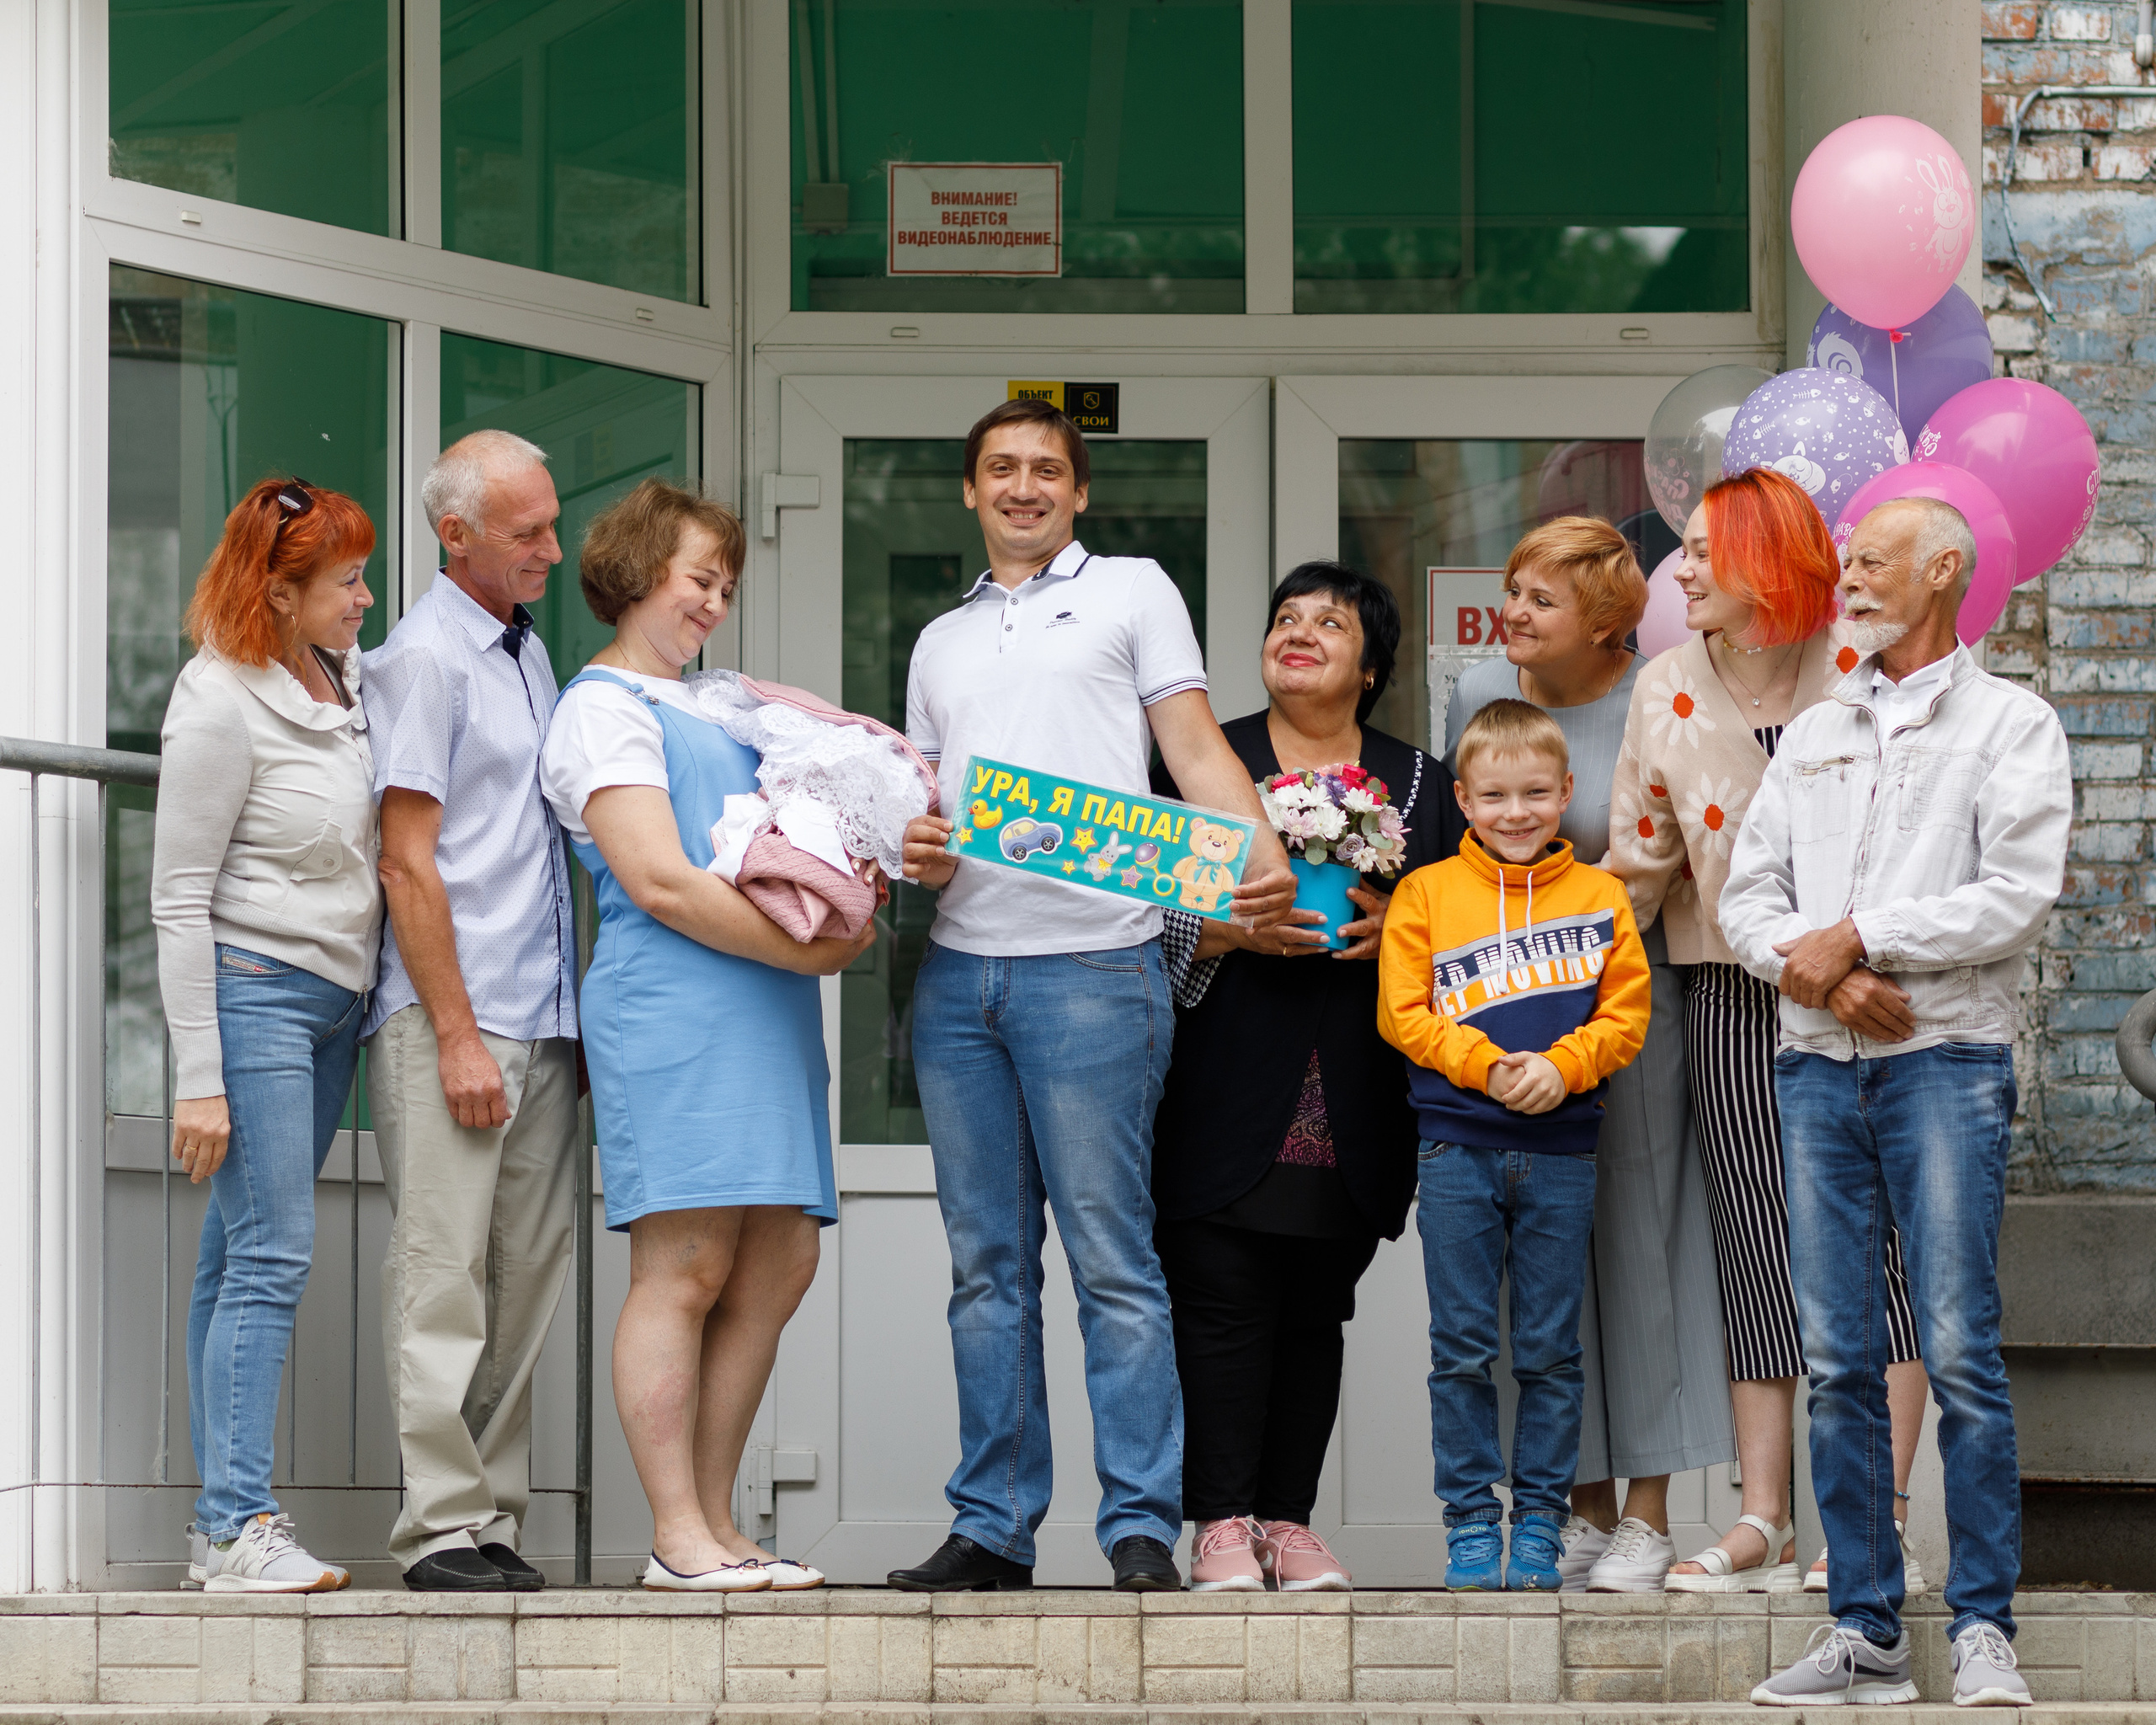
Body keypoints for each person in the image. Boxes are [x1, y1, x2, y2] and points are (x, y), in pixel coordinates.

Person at [890, 397, 1295, 1594]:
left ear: (1079, 493)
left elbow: (1198, 748)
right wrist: (916, 847)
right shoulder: (939, 641)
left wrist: (1257, 849)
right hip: (963, 976)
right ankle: (992, 1527)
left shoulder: (1130, 589)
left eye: (1047, 470)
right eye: (1002, 469)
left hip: (1098, 967)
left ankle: (1137, 1527)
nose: (1024, 485)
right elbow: (927, 807)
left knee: (1114, 1260)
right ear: (970, 491)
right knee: (987, 1271)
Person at [1726, 496, 2068, 1707]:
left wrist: (1866, 940)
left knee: (1962, 1347)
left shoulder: (2013, 725)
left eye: (1874, 559)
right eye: (1850, 563)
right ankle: (1864, 1625)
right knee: (1837, 1356)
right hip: (1819, 1066)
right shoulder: (1819, 726)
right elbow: (1746, 895)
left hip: (1945, 1067)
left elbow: (2016, 893)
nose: (1851, 577)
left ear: (1946, 571)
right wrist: (1817, 966)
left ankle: (1983, 1628)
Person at [540, 479, 871, 1591]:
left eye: (727, 585)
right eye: (698, 579)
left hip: (763, 1006)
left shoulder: (723, 704)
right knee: (683, 1266)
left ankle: (718, 1526)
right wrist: (813, 954)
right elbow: (661, 882)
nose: (715, 604)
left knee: (777, 1262)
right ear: (636, 573)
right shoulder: (602, 709)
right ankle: (675, 1534)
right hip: (676, 1004)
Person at [1607, 469, 1929, 1594]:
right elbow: (1639, 866)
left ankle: (1873, 1524)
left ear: (1762, 557)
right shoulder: (1664, 687)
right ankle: (1765, 1519)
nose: (1678, 571)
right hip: (1730, 991)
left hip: (1884, 989)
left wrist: (1844, 963)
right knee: (1759, 1251)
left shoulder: (1867, 664)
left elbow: (1918, 840)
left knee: (1880, 1252)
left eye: (1698, 551)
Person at [1150, 561, 1461, 1594]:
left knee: (1314, 1307)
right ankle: (1220, 1522)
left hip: (1357, 1089)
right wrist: (1224, 933)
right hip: (1222, 1077)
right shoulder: (1204, 758)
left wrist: (1399, 931)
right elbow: (1133, 921)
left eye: (1330, 623)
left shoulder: (1422, 781)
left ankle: (1288, 1518)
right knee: (1221, 1299)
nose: (1302, 632)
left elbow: (1464, 931)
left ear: (1369, 666)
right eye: (1286, 617)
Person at [1444, 516, 1732, 1592]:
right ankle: (1577, 1506)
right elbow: (1460, 848)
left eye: (1539, 599)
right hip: (1504, 1019)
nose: (1511, 613)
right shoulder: (1477, 691)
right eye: (1512, 591)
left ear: (1607, 618)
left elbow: (1697, 848)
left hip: (1629, 1006)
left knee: (1643, 1242)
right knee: (1536, 1257)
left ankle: (1649, 1515)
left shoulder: (1664, 689)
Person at [152, 476, 380, 1592]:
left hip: (334, 1003)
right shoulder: (218, 696)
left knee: (236, 1257)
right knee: (275, 1257)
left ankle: (215, 1529)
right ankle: (241, 1519)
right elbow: (178, 898)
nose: (365, 597)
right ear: (280, 591)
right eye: (345, 582)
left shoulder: (337, 679)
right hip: (256, 993)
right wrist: (203, 1080)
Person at [364, 430, 579, 1592]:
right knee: (443, 1272)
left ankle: (490, 1519)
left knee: (524, 1276)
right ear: (456, 537)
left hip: (541, 1018)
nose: (554, 546)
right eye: (527, 532)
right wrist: (453, 1032)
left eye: (551, 521)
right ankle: (439, 1527)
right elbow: (408, 863)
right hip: (458, 1013)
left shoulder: (525, 652)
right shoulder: (423, 658)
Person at [1379, 698, 1652, 1593]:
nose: (1516, 811)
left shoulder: (1601, 896)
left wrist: (1565, 1067)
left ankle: (1539, 1522)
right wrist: (1491, 1067)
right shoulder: (1424, 893)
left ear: (1566, 791)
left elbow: (1625, 1015)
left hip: (1563, 1152)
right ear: (1462, 797)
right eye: (1493, 794)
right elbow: (1403, 1012)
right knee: (1459, 1345)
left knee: (1547, 1350)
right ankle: (1468, 1523)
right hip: (1456, 1149)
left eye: (1535, 791)